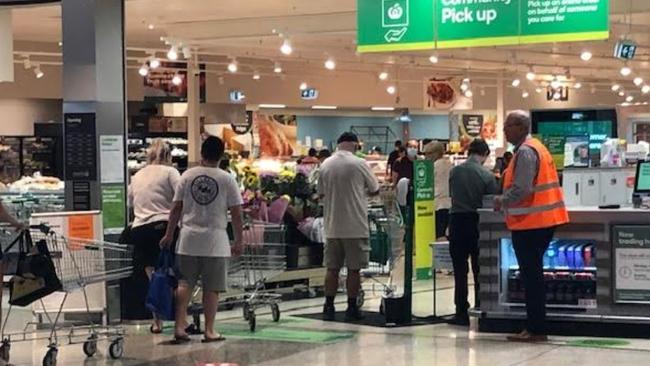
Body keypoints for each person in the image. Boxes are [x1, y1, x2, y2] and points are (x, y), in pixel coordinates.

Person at [160, 136, 244, 343]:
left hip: (188, 240)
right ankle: (209, 330)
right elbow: (237, 213)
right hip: (215, 241)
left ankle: (180, 326)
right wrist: (239, 240)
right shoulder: (227, 179)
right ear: (222, 155)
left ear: (201, 153)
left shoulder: (187, 176)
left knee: (184, 284)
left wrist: (169, 234)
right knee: (212, 287)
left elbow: (175, 208)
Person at [494, 111, 569, 342]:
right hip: (542, 221)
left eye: (507, 126)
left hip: (531, 224)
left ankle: (535, 328)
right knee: (533, 276)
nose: (505, 131)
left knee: (531, 277)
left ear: (519, 127)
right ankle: (535, 326)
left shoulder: (526, 152)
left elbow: (523, 188)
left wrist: (502, 200)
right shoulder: (538, 147)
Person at [319, 132, 380, 321]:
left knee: (332, 268)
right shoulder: (359, 163)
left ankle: (328, 306)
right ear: (355, 145)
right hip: (355, 225)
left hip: (332, 226)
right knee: (354, 269)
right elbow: (375, 188)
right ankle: (351, 307)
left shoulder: (325, 164)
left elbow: (320, 194)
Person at [127, 139, 181, 334]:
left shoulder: (137, 175)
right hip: (164, 227)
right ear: (168, 155)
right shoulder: (171, 172)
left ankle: (156, 322)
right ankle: (179, 322)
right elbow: (180, 199)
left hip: (140, 229)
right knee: (173, 276)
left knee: (153, 278)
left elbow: (131, 201)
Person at [447, 139, 499, 326]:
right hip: (478, 223)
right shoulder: (487, 175)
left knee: (460, 271)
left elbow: (452, 197)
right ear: (484, 154)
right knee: (480, 269)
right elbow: (492, 203)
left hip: (457, 222)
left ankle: (461, 312)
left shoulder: (454, 172)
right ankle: (481, 308)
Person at [423, 141, 453, 239]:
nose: (425, 157)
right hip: (450, 204)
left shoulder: (432, 167)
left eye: (427, 154)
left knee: (438, 235)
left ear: (435, 153)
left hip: (437, 205)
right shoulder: (450, 165)